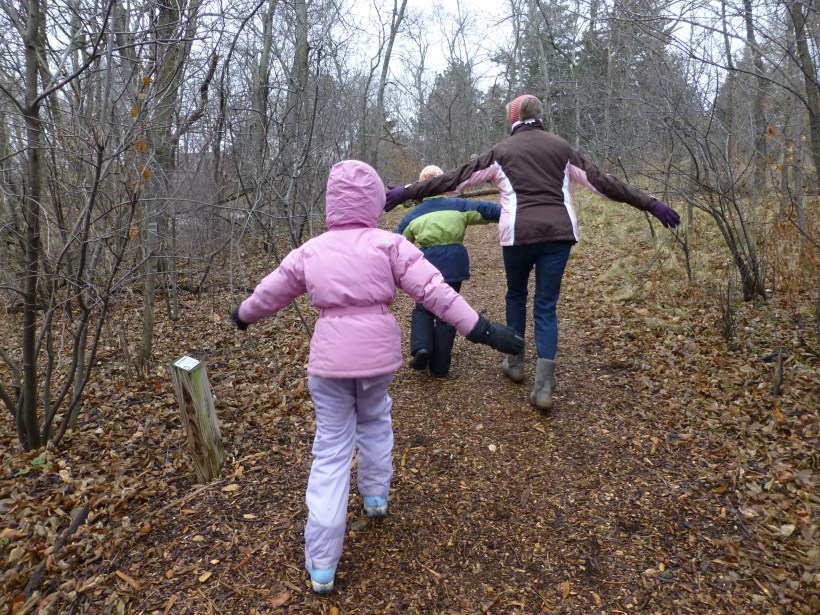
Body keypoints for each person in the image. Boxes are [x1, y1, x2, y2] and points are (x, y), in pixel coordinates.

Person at [230, 160, 523, 593]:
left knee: (330, 451)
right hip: (376, 361)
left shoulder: (311, 250)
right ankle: (375, 497)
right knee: (375, 421)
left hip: (329, 363)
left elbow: (271, 290)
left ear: (331, 202)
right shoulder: (389, 245)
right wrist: (480, 329)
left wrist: (243, 314)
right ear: (373, 201)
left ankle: (323, 564)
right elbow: (435, 292)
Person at [385, 94, 681, 411]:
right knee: (546, 305)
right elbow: (604, 183)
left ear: (512, 119)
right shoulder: (562, 148)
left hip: (518, 235)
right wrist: (651, 203)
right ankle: (544, 387)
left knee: (516, 294)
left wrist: (407, 190)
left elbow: (453, 179)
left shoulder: (501, 152)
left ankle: (515, 362)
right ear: (540, 116)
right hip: (559, 235)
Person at [394, 164, 502, 378]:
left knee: (423, 308)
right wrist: (512, 213)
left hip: (426, 266)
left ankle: (422, 348)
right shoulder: (459, 206)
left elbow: (397, 243)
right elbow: (492, 212)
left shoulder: (413, 215)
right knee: (447, 313)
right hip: (454, 264)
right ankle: (440, 366)